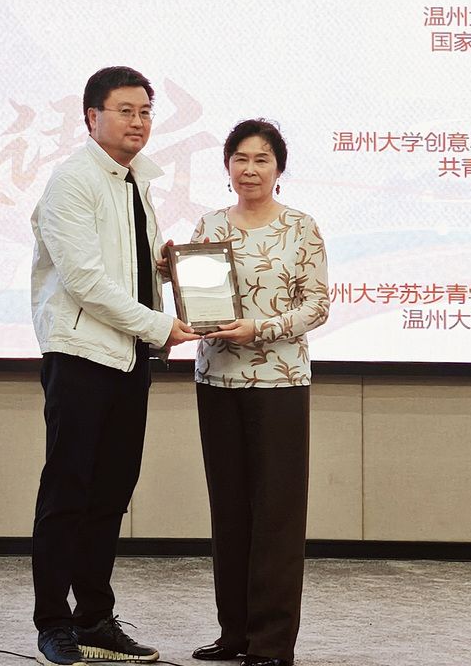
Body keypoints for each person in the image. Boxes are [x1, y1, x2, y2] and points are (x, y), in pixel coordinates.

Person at [30, 66, 199, 666]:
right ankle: (54, 623)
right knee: (67, 493)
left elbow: (125, 271)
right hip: (81, 356)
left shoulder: (136, 183)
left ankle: (95, 618)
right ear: (91, 117)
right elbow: (83, 280)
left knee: (110, 496)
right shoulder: (73, 180)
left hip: (128, 358)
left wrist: (166, 270)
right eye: (125, 111)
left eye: (146, 111)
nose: (139, 122)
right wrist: (157, 325)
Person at [188, 119, 329, 666]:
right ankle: (235, 634)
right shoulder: (208, 225)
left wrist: (262, 329)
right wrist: (170, 276)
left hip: (279, 383)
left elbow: (317, 305)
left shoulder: (301, 228)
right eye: (240, 159)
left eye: (261, 159)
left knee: (276, 515)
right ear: (227, 166)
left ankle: (271, 644)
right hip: (216, 380)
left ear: (278, 168)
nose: (249, 169)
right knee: (228, 510)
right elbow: (197, 297)